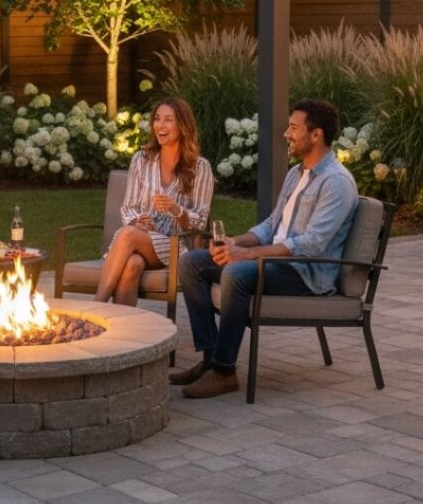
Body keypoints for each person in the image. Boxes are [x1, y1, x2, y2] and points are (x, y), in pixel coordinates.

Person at [174, 98, 358, 399]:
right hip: (278, 263)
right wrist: (236, 242)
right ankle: (209, 358)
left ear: (317, 135)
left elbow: (311, 244)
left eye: (294, 127)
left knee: (236, 272)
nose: (286, 133)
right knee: (192, 262)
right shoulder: (296, 174)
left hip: (305, 273)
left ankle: (224, 371)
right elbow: (272, 225)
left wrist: (245, 255)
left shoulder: (336, 182)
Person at [93, 97, 214, 305]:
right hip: (143, 238)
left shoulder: (200, 167)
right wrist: (137, 220)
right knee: (132, 264)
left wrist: (177, 210)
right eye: (157, 119)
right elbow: (128, 207)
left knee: (127, 234)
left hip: (176, 244)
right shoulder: (141, 160)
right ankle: (125, 331)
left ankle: (96, 306)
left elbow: (201, 221)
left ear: (183, 126)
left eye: (168, 120)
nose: (161, 125)